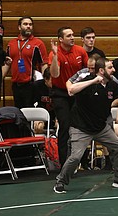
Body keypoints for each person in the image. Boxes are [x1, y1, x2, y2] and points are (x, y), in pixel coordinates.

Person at [53, 58, 118, 193]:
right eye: (110, 68)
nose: (113, 70)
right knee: (75, 157)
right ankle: (60, 181)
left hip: (100, 127)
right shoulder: (88, 80)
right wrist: (93, 81)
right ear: (101, 71)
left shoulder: (112, 84)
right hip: (81, 127)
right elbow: (71, 90)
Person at [49, 26, 88, 168]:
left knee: (81, 127)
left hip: (77, 93)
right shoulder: (55, 52)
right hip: (60, 94)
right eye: (68, 36)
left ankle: (83, 162)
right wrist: (54, 56)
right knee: (65, 126)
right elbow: (54, 74)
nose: (72, 37)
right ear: (61, 39)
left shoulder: (80, 51)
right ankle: (64, 164)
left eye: (73, 35)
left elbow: (87, 71)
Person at [2, 16, 48, 109]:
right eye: (25, 24)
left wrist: (45, 84)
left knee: (32, 112)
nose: (28, 26)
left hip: (32, 84)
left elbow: (44, 64)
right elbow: (7, 64)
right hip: (16, 85)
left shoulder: (38, 43)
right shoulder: (11, 44)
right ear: (19, 27)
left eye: (30, 24)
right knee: (19, 112)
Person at [32, 67, 56, 134]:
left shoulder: (59, 86)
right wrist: (37, 117)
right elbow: (32, 103)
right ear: (45, 79)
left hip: (56, 114)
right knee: (38, 126)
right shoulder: (36, 86)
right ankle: (40, 144)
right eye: (52, 80)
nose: (54, 83)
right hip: (41, 114)